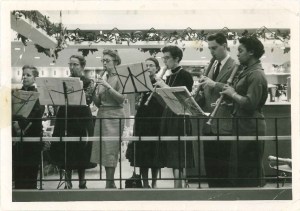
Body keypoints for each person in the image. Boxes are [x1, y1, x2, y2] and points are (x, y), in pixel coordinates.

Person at [221, 36, 268, 187]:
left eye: (240, 51)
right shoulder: (248, 71)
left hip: (250, 126)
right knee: (240, 168)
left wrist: (232, 93)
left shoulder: (256, 74)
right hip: (243, 124)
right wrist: (229, 100)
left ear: (251, 52)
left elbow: (250, 104)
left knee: (249, 170)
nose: (238, 54)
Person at [195, 32, 238, 187]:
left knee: (223, 169)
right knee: (211, 168)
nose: (211, 52)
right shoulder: (212, 65)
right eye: (209, 48)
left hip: (224, 123)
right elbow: (208, 95)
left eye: (214, 48)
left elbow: (236, 90)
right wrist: (197, 94)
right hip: (209, 124)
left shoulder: (235, 65)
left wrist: (214, 84)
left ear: (224, 46)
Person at [50, 55, 96, 189]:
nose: (72, 67)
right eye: (70, 64)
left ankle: (82, 181)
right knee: (66, 148)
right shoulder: (63, 81)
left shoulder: (89, 82)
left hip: (81, 117)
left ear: (82, 66)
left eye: (75, 64)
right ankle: (67, 181)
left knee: (82, 148)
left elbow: (87, 99)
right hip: (65, 116)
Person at [155, 45, 194, 188]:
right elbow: (166, 100)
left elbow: (182, 99)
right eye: (163, 58)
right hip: (169, 116)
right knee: (171, 153)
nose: (164, 61)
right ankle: (176, 185)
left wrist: (163, 86)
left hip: (180, 117)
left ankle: (180, 186)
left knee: (179, 153)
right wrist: (158, 91)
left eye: (167, 58)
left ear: (176, 59)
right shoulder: (170, 75)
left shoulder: (185, 75)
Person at [127, 57, 165, 188]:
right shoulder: (140, 83)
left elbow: (164, 103)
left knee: (154, 153)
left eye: (151, 65)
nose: (148, 67)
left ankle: (154, 183)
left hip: (155, 120)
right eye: (146, 65)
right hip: (142, 120)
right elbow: (137, 103)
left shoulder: (160, 82)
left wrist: (155, 92)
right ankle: (145, 183)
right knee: (142, 153)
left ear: (157, 68)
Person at [90, 49, 126, 188]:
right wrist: (93, 92)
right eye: (103, 60)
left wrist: (108, 87)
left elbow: (121, 99)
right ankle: (109, 182)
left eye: (107, 60)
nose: (104, 63)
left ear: (116, 62)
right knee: (104, 150)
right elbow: (99, 103)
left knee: (111, 148)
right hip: (102, 114)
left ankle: (110, 182)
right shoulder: (104, 78)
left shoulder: (120, 77)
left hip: (114, 115)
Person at [12, 65, 45, 189]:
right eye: (23, 74)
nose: (24, 77)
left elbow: (37, 113)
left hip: (33, 135)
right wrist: (16, 126)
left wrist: (20, 126)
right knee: (18, 168)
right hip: (17, 134)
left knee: (31, 169)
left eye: (28, 75)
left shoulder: (39, 95)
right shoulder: (16, 93)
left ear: (35, 78)